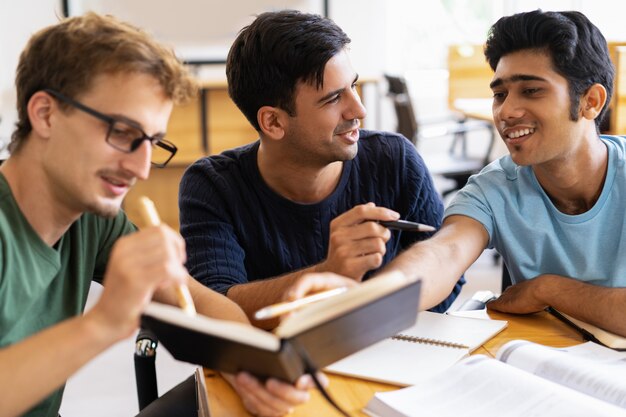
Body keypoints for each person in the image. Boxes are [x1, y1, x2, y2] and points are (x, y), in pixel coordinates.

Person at [0, 13, 322, 417]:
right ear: (45, 114)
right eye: (121, 133)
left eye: (153, 142)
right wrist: (103, 323)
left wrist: (253, 366)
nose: (141, 169)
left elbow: (200, 301)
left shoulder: (93, 217)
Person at [178, 10, 464, 326]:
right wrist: (329, 273)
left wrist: (360, 312)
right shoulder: (212, 186)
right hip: (278, 370)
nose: (359, 109)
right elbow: (215, 310)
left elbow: (450, 281)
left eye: (353, 86)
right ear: (273, 121)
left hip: (391, 355)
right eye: (332, 99)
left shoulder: (394, 159)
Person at [372, 9, 626, 337]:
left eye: (531, 90)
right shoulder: (493, 188)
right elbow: (444, 253)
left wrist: (547, 289)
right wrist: (368, 299)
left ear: (590, 101)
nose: (506, 111)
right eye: (499, 94)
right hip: (545, 364)